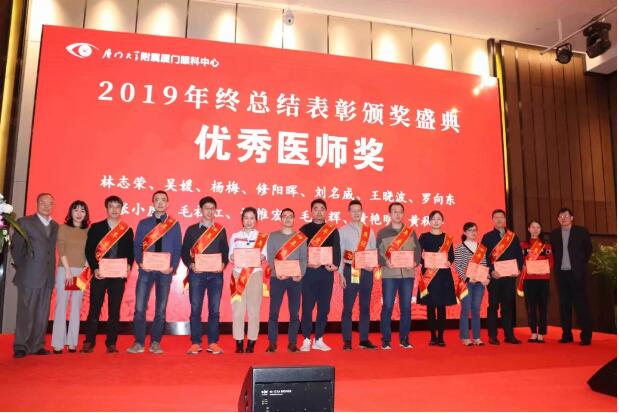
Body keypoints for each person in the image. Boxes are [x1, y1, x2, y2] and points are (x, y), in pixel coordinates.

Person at [127, 191, 182, 355]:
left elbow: (178, 247)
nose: (160, 202)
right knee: (139, 307)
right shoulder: (144, 223)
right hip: (146, 270)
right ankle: (138, 342)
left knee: (161, 308)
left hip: (165, 272)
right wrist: (140, 262)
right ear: (152, 203)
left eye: (163, 200)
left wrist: (173, 267)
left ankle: (156, 342)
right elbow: (137, 245)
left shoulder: (174, 225)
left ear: (167, 203)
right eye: (157, 200)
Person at [81, 195, 134, 353]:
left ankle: (111, 342)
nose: (114, 210)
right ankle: (89, 341)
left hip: (118, 275)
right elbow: (89, 250)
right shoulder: (96, 227)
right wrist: (95, 268)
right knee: (94, 308)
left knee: (114, 310)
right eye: (111, 206)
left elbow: (130, 253)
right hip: (100, 274)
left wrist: (128, 266)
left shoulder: (127, 230)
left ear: (121, 209)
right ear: (106, 208)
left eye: (118, 207)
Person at [11, 193, 59, 358]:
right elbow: (17, 248)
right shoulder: (24, 222)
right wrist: (24, 268)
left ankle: (37, 345)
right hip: (29, 275)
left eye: (50, 203)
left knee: (42, 313)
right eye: (43, 202)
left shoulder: (55, 225)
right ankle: (21, 346)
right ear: (37, 204)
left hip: (48, 276)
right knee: (26, 312)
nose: (46, 206)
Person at [181, 196, 229, 355]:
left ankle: (213, 342)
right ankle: (195, 342)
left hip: (216, 276)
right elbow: (184, 252)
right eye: (206, 208)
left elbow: (225, 252)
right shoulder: (192, 230)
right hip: (197, 275)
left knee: (214, 310)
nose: (210, 211)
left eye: (212, 208)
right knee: (195, 309)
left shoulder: (220, 230)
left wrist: (223, 264)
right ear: (201, 210)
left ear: (216, 210)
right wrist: (191, 265)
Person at [376, 202, 420, 350]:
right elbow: (377, 253)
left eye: (400, 211)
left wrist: (414, 262)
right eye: (394, 211)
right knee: (387, 306)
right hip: (389, 275)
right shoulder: (382, 233)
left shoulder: (410, 232)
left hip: (407, 275)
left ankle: (404, 339)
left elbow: (417, 251)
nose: (397, 214)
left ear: (403, 213)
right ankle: (386, 339)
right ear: (390, 214)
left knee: (406, 308)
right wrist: (385, 262)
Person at [299, 199, 341, 352]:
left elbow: (336, 250)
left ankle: (319, 339)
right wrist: (307, 263)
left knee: (324, 307)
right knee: (307, 307)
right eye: (316, 208)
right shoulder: (304, 229)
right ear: (311, 211)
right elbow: (300, 252)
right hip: (309, 273)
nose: (318, 211)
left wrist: (335, 264)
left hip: (325, 273)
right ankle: (306, 339)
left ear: (325, 211)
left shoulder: (332, 230)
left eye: (322, 208)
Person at [265, 208, 307, 353]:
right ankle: (272, 343)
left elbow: (304, 258)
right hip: (277, 278)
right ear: (281, 219)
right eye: (285, 216)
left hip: (295, 280)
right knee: (273, 312)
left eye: (290, 216)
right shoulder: (273, 236)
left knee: (294, 313)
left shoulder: (300, 238)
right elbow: (270, 257)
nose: (288, 219)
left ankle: (292, 343)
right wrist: (276, 271)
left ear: (294, 219)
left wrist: (301, 274)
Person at [549, 208, 593, 345]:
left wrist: (580, 264)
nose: (563, 218)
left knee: (581, 304)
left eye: (566, 216)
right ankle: (566, 335)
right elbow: (553, 253)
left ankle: (586, 336)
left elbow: (588, 250)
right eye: (560, 216)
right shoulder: (554, 234)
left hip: (577, 273)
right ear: (558, 219)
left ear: (572, 217)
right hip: (561, 274)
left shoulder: (581, 232)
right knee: (564, 304)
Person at [51, 200, 90, 354]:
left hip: (82, 271)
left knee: (76, 306)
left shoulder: (88, 231)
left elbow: (90, 251)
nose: (79, 213)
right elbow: (61, 249)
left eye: (82, 211)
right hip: (65, 270)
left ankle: (72, 342)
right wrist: (67, 271)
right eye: (76, 210)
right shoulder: (63, 228)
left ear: (86, 214)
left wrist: (86, 268)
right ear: (70, 212)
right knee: (61, 305)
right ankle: (58, 343)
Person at [339, 200, 378, 350]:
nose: (356, 213)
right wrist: (341, 274)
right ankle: (347, 340)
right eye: (353, 210)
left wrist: (371, 266)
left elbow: (373, 251)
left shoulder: (369, 230)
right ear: (349, 212)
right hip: (351, 271)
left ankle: (364, 339)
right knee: (348, 307)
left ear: (362, 212)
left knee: (365, 307)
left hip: (367, 272)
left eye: (359, 210)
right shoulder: (342, 231)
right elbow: (340, 254)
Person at [229, 207, 268, 353]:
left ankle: (251, 342)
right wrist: (232, 257)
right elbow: (230, 256)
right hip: (238, 275)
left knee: (254, 310)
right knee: (237, 311)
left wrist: (263, 257)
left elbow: (265, 255)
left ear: (256, 220)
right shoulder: (235, 236)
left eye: (252, 218)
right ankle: (238, 342)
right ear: (242, 220)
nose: (249, 221)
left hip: (255, 274)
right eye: (246, 218)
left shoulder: (262, 237)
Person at [481, 209, 523, 345]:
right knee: (493, 306)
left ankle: (509, 335)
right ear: (492, 220)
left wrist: (518, 269)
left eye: (501, 217)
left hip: (509, 277)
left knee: (507, 306)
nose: (499, 220)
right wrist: (491, 271)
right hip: (495, 277)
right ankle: (492, 336)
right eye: (496, 217)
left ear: (505, 219)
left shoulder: (513, 237)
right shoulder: (487, 237)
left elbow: (519, 256)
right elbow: (483, 258)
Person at [418, 210, 456, 347]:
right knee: (430, 307)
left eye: (439, 219)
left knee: (441, 307)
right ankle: (432, 337)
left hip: (443, 276)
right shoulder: (424, 237)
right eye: (433, 219)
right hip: (428, 276)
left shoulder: (447, 238)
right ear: (429, 221)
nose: (436, 221)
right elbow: (418, 254)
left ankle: (441, 337)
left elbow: (451, 256)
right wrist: (422, 258)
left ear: (442, 221)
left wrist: (448, 262)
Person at [519, 220, 554, 344]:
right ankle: (533, 332)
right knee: (531, 307)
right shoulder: (523, 245)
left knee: (543, 306)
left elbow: (551, 261)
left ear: (540, 230)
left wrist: (543, 269)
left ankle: (541, 333)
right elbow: (520, 260)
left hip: (543, 279)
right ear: (529, 229)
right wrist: (522, 265)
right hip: (529, 279)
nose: (535, 229)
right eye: (533, 227)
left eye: (538, 227)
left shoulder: (546, 246)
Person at [455, 222, 489, 346]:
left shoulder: (482, 248)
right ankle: (465, 337)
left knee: (476, 309)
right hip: (466, 283)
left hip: (480, 283)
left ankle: (477, 337)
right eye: (470, 230)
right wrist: (468, 278)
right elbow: (458, 266)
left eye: (475, 230)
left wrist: (487, 278)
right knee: (466, 309)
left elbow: (485, 265)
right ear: (465, 232)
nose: (473, 232)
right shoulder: (460, 248)